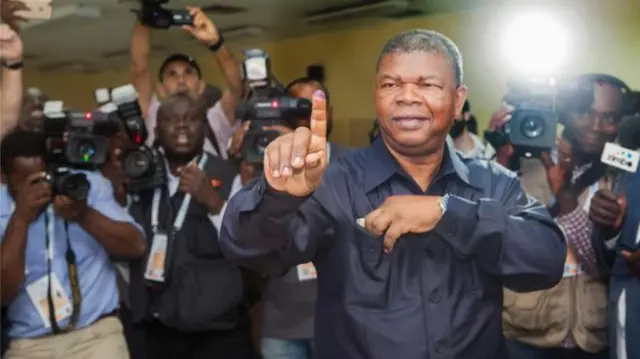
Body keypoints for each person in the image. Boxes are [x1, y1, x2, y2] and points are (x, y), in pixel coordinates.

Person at [219, 29, 566, 359]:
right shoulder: (333, 183)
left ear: (458, 99)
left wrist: (449, 214)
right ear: (376, 94)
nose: (407, 96)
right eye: (391, 84)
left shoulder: (492, 182)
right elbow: (247, 249)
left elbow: (545, 261)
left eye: (427, 84)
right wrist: (278, 197)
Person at [489, 74, 633, 359]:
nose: (595, 126)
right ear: (565, 111)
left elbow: (603, 265)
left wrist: (564, 194)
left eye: (609, 118)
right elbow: (492, 243)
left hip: (593, 336)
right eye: (584, 113)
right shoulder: (525, 160)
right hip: (525, 332)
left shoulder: (624, 173)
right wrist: (500, 159)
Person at [126, 93, 255, 359]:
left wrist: (212, 201)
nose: (182, 126)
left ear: (205, 128)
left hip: (218, 331)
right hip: (156, 329)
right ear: (157, 130)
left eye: (191, 119)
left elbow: (249, 247)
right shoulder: (138, 175)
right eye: (172, 120)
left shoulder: (230, 175)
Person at [0, 131, 146, 359]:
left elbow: (136, 246)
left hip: (96, 336)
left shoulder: (84, 185)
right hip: (30, 344)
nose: (39, 189)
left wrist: (84, 215)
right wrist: (20, 218)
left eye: (43, 178)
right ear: (4, 178)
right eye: (28, 183)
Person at [129, 7, 242, 158]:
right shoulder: (151, 117)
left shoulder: (215, 122)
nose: (181, 81)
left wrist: (216, 43)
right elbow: (139, 68)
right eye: (172, 74)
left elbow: (237, 86)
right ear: (160, 89)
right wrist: (145, 17)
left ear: (202, 86)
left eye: (188, 73)